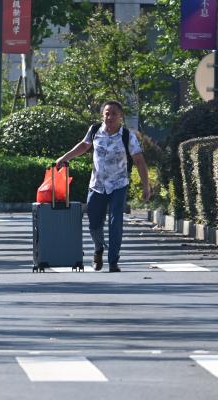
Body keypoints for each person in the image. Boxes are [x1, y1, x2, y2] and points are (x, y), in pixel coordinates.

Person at [55, 100, 151, 272]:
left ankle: (113, 260)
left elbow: (139, 160)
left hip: (119, 185)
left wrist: (146, 186)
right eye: (107, 113)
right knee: (94, 223)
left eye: (114, 114)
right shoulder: (95, 130)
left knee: (116, 222)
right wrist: (64, 158)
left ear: (120, 117)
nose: (110, 117)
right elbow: (84, 146)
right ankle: (98, 248)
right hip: (97, 185)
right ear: (102, 115)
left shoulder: (127, 136)